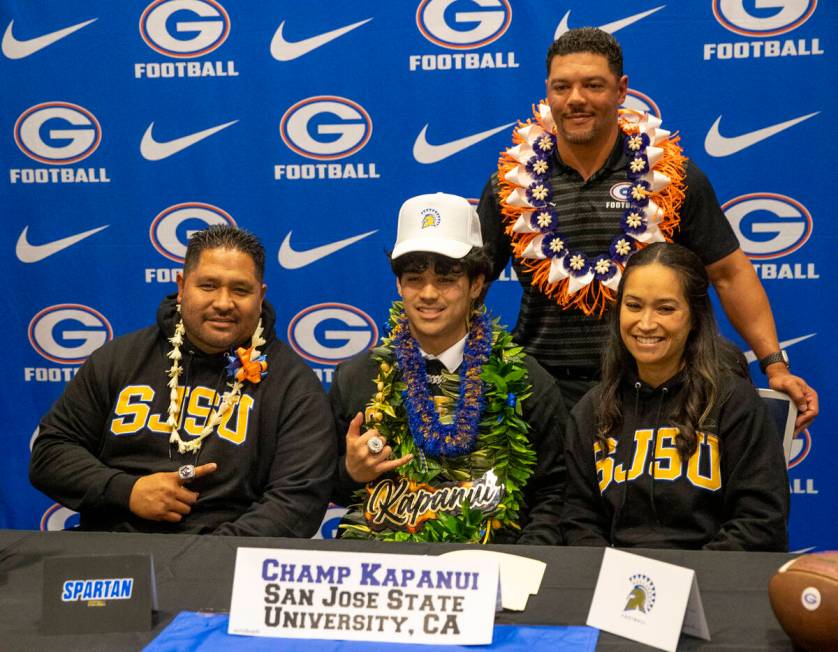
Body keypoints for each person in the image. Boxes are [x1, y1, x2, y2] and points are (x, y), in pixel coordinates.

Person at [477, 27, 817, 427]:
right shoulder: (511, 185)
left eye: (593, 85)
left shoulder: (671, 177)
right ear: (548, 92)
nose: (576, 100)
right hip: (545, 397)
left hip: (655, 394)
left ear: (621, 90)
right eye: (562, 87)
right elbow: (469, 285)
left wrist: (774, 365)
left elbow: (729, 273)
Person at [29, 225, 335, 536]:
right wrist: (126, 491)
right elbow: (50, 453)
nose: (223, 303)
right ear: (182, 286)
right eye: (208, 286)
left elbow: (297, 501)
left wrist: (206, 561)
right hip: (112, 550)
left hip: (224, 564)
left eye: (240, 290)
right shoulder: (119, 359)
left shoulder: (294, 385)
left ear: (260, 296)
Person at [329, 192, 567, 544]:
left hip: (494, 581)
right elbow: (319, 485)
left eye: (446, 279)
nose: (428, 293)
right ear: (398, 284)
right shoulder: (358, 378)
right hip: (381, 581)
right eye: (414, 278)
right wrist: (350, 472)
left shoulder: (526, 382)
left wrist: (523, 568)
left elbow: (555, 495)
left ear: (476, 284)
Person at [560, 242, 789, 551]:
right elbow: (580, 522)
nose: (646, 323)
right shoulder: (591, 410)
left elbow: (761, 522)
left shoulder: (733, 402)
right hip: (617, 592)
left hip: (714, 587)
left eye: (666, 308)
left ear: (694, 316)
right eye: (634, 305)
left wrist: (683, 583)